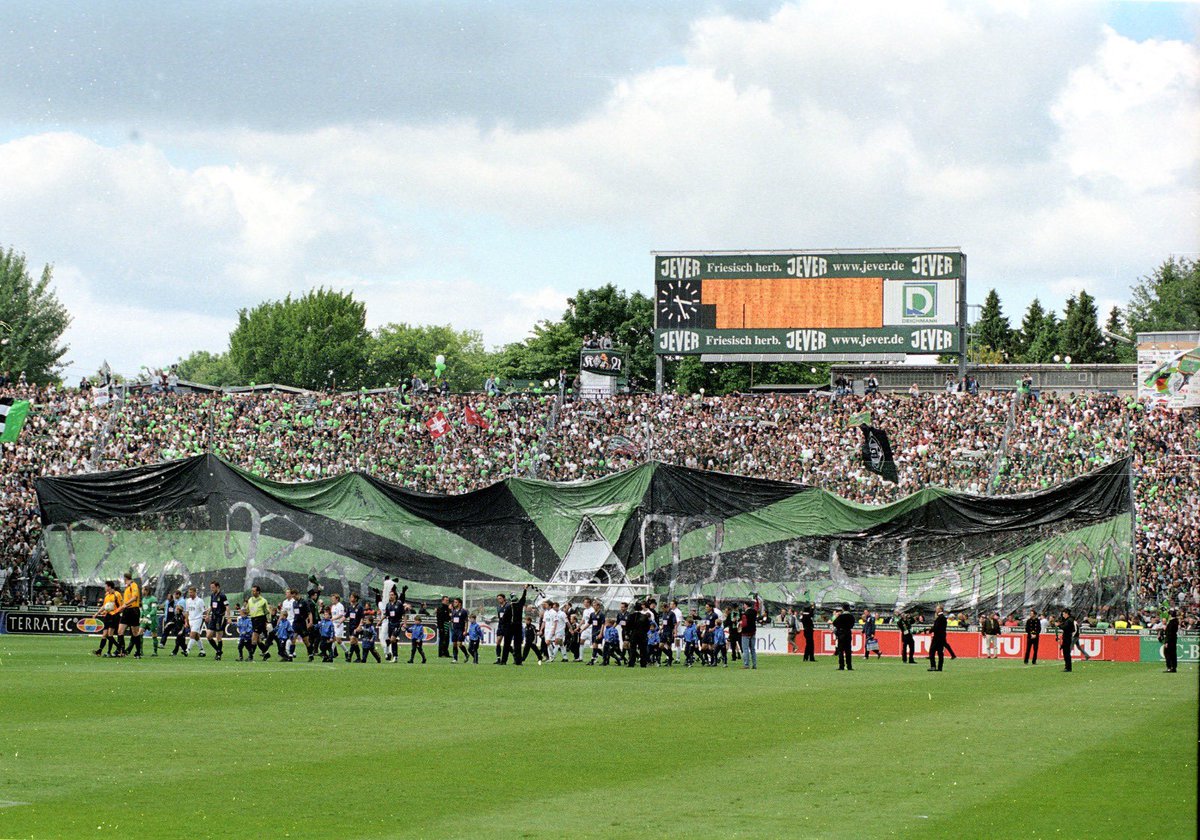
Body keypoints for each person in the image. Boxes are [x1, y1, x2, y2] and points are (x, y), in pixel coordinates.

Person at [92, 580, 123, 657]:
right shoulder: (107, 595)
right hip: (108, 615)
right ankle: (100, 650)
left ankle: (113, 650)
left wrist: (116, 612)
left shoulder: (117, 594)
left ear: (109, 587)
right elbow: (104, 606)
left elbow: (121, 606)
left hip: (114, 616)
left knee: (110, 634)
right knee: (104, 634)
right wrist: (97, 613)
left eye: (106, 586)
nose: (105, 588)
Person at [118, 571, 144, 659]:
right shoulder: (127, 587)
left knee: (135, 632)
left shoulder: (134, 585)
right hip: (126, 611)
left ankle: (138, 652)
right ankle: (122, 650)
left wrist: (125, 604)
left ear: (125, 578)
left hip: (133, 610)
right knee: (120, 631)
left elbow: (135, 597)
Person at [203, 580, 228, 661]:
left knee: (218, 637)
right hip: (213, 617)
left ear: (217, 587)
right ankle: (218, 650)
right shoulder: (212, 595)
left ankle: (218, 654)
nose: (212, 589)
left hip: (220, 617)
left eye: (213, 587)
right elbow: (211, 606)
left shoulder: (222, 596)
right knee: (208, 635)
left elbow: (227, 606)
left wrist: (229, 617)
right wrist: (207, 615)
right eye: (211, 587)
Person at [183, 586, 206, 657]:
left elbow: (204, 611)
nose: (190, 594)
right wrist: (186, 622)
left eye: (191, 592)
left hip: (198, 619)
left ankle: (187, 650)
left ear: (195, 592)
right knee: (196, 636)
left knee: (192, 635)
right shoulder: (188, 601)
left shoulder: (200, 601)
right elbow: (187, 612)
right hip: (191, 620)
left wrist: (206, 617)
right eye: (189, 592)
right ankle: (202, 650)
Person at [382, 590, 404, 663]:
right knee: (392, 640)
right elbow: (386, 614)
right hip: (390, 624)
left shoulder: (399, 604)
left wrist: (405, 623)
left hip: (397, 623)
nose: (390, 596)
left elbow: (404, 614)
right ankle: (393, 656)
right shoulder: (388, 604)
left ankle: (395, 656)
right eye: (390, 595)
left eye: (392, 595)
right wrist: (380, 621)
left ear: (395, 596)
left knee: (392, 639)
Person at [832, 603, 855, 671]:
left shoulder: (841, 616)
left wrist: (840, 627)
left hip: (841, 633)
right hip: (848, 633)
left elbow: (834, 623)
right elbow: (852, 624)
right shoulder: (851, 616)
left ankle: (841, 666)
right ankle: (849, 666)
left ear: (843, 608)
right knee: (848, 650)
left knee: (840, 650)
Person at [449, 597, 470, 663]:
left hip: (461, 629)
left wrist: (465, 630)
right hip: (454, 629)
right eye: (454, 602)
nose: (454, 603)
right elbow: (452, 620)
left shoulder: (463, 611)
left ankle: (466, 654)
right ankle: (455, 658)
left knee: (460, 644)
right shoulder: (453, 611)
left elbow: (466, 621)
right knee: (454, 644)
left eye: (456, 602)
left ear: (459, 603)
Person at [739, 599, 758, 670]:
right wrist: (756, 600)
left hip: (745, 633)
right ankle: (754, 665)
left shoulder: (745, 614)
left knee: (745, 649)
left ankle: (746, 664)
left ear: (746, 605)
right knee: (753, 649)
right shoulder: (754, 612)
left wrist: (740, 624)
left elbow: (744, 624)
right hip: (753, 632)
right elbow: (757, 607)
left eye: (744, 605)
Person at [928, 604, 948, 672]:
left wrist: (930, 630)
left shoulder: (940, 618)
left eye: (937, 608)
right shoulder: (943, 617)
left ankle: (933, 666)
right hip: (941, 638)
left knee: (932, 652)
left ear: (940, 609)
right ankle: (940, 667)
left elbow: (936, 627)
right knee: (940, 653)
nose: (936, 610)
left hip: (937, 638)